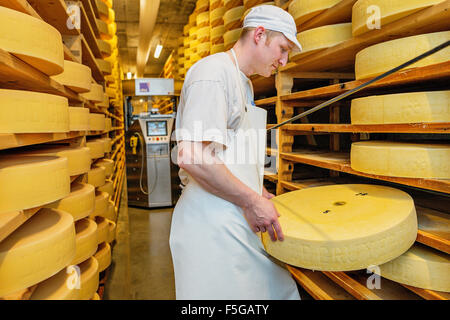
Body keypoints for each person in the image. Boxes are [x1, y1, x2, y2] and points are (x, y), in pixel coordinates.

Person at [169, 5, 302, 300]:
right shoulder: (213, 74)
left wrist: (257, 190)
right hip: (211, 225)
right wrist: (250, 199)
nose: (284, 60)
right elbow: (191, 155)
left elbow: (228, 153)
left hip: (232, 215)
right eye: (282, 48)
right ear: (259, 34)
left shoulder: (244, 83)